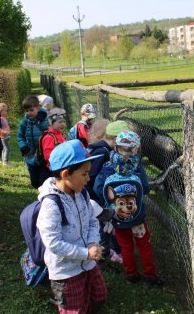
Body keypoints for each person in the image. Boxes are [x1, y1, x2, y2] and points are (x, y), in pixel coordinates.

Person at [37, 140, 107, 314]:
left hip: (88, 262)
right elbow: (53, 243)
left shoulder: (82, 193)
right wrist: (85, 252)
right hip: (66, 271)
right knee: (74, 309)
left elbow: (92, 220)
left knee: (98, 295)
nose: (88, 178)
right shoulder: (51, 205)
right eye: (85, 174)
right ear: (67, 174)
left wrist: (92, 243)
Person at [94, 131, 164, 286]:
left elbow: (98, 188)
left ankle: (131, 275)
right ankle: (150, 275)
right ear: (136, 149)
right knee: (144, 245)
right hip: (137, 218)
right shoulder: (137, 166)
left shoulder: (108, 165)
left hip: (117, 218)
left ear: (116, 147)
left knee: (125, 247)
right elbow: (144, 188)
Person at [86, 120, 129, 263]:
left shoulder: (97, 148)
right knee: (103, 225)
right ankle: (103, 255)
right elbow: (92, 176)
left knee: (103, 224)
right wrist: (102, 197)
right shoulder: (103, 152)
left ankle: (108, 250)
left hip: (93, 195)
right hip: (95, 196)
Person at [17, 95, 49, 189]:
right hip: (30, 156)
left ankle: (46, 198)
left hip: (44, 157)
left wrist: (41, 121)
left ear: (38, 108)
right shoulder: (24, 122)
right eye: (27, 111)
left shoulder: (45, 120)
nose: (29, 113)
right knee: (35, 182)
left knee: (44, 182)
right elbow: (20, 136)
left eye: (31, 110)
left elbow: (51, 133)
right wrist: (23, 147)